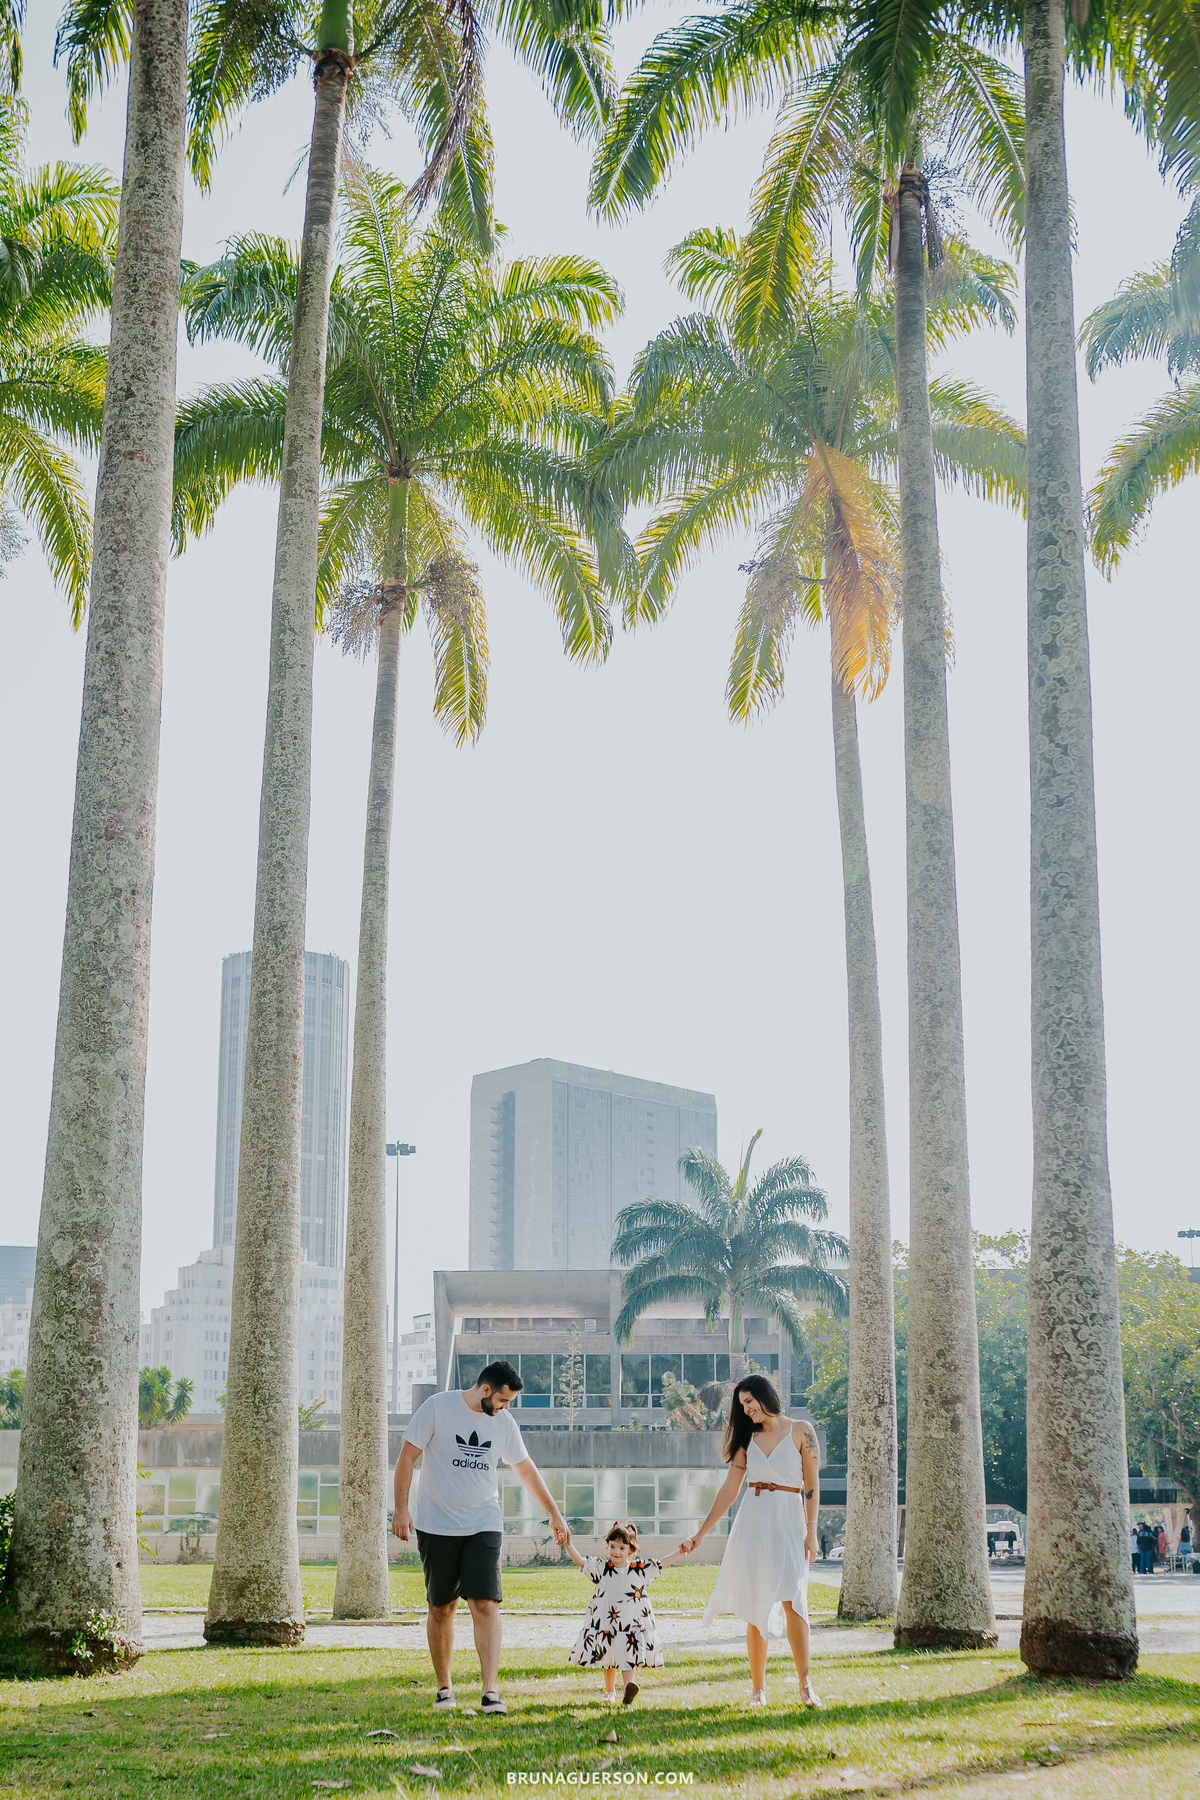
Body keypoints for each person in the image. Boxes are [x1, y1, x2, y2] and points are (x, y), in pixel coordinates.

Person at [392, 1359, 570, 1713]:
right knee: (441, 1608)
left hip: (484, 1523)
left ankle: (491, 1692)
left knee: (485, 1604)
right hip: (437, 1524)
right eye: (503, 1401)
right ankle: (444, 1688)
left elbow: (524, 1469)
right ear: (486, 1390)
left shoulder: (503, 1423)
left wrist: (554, 1513)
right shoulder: (437, 1408)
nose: (506, 1409)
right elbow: (407, 1458)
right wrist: (401, 1509)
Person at [679, 1373, 822, 1709]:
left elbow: (812, 1484)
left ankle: (805, 1684)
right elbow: (730, 1490)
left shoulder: (801, 1430)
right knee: (757, 1606)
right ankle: (758, 1690)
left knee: (794, 1602)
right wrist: (701, 1533)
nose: (745, 1410)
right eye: (741, 1405)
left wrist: (811, 1530)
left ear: (764, 1396)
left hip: (790, 1520)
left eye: (748, 1402)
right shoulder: (747, 1439)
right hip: (754, 1521)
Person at [566, 1520, 689, 1704]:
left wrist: (680, 1551)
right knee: (607, 1657)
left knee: (628, 1655)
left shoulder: (638, 1570)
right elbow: (581, 1561)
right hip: (607, 1621)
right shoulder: (602, 1568)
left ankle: (628, 1689)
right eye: (612, 1546)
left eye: (622, 1548)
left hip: (629, 1623)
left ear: (631, 1551)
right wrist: (569, 1544)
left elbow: (661, 1564)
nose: (616, 1551)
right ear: (607, 1546)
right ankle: (609, 1692)